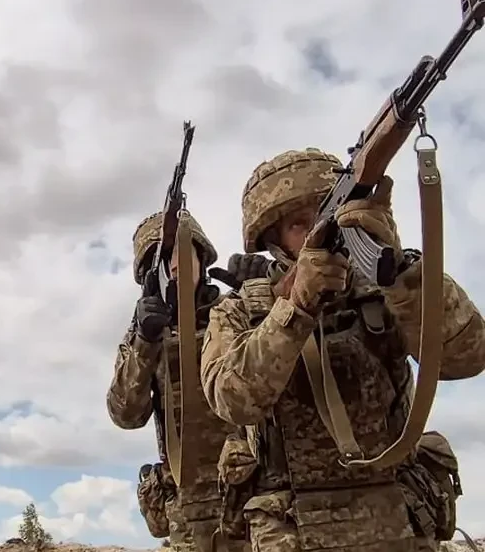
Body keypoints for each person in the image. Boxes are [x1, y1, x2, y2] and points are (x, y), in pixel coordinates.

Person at [200, 148, 485, 552]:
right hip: (293, 528)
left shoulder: (387, 289)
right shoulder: (241, 310)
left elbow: (467, 358)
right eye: (299, 224)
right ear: (274, 242)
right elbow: (232, 400)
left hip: (396, 519)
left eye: (325, 213)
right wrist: (295, 309)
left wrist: (402, 275)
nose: (319, 230)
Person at [108, 211, 255, 552]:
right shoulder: (143, 336)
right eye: (162, 258)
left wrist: (264, 294)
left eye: (183, 252)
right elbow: (126, 414)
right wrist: (145, 342)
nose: (175, 264)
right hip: (190, 513)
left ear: (202, 258)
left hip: (253, 494)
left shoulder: (235, 311)